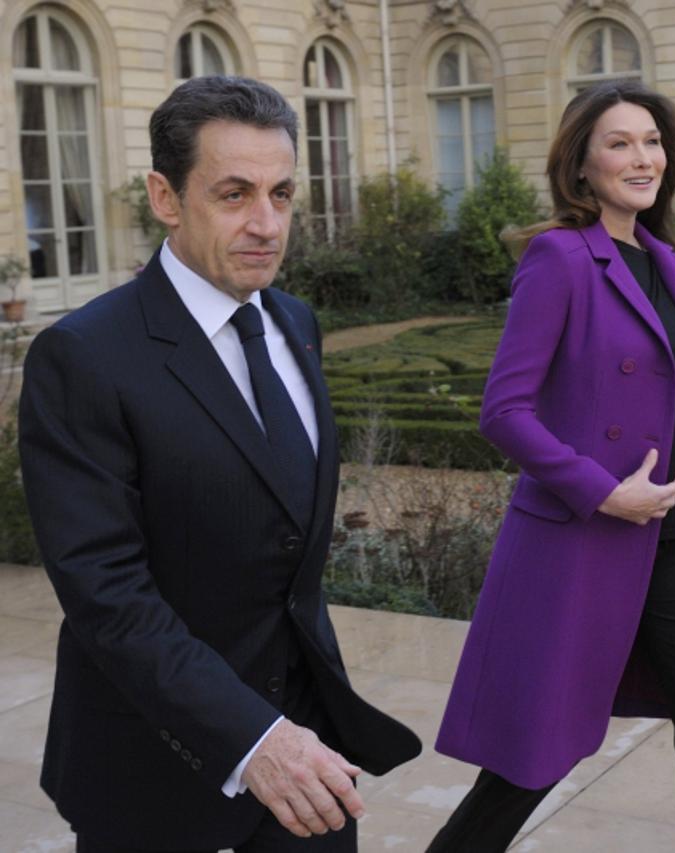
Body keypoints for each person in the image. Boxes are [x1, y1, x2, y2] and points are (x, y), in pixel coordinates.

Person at [19, 76, 422, 852]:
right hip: (155, 771)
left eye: (281, 193)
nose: (266, 223)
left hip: (308, 761)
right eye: (234, 194)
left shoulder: (294, 320)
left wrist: (293, 732)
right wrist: (251, 737)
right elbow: (108, 594)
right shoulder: (84, 355)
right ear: (165, 198)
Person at [428, 81, 675, 852]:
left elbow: (664, 378)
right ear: (581, 165)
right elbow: (504, 410)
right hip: (586, 538)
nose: (642, 157)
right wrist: (603, 490)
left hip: (672, 532)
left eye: (652, 141)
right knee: (533, 759)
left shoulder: (661, 255)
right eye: (619, 142)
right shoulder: (560, 257)